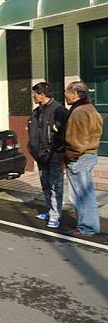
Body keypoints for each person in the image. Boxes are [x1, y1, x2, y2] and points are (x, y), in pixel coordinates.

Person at [63, 81, 104, 236]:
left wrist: (69, 157)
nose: (65, 95)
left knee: (81, 195)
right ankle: (87, 225)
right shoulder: (91, 109)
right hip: (90, 154)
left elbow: (76, 142)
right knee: (85, 193)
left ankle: (87, 227)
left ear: (76, 94)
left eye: (67, 92)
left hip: (79, 157)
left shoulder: (78, 112)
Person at [27, 82, 68, 229]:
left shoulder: (59, 111)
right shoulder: (37, 111)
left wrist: (62, 153)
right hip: (40, 155)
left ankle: (55, 216)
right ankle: (50, 210)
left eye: (35, 94)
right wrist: (32, 148)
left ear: (42, 95)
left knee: (55, 186)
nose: (33, 96)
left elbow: (66, 134)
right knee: (45, 184)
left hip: (55, 155)